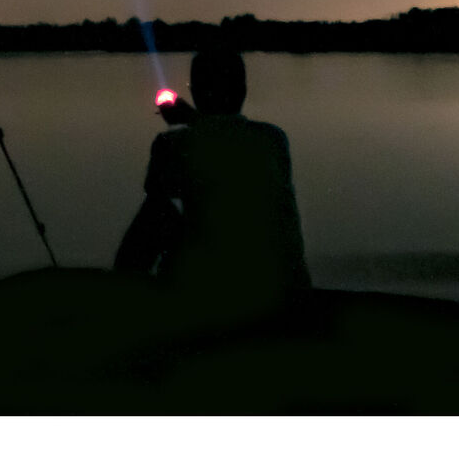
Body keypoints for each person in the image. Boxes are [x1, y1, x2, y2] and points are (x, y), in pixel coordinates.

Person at [112, 47, 310, 326]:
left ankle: (123, 306)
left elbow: (155, 195)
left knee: (158, 211)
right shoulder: (274, 139)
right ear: (243, 90)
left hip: (208, 296)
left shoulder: (171, 146)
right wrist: (194, 120)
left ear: (195, 92)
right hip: (286, 291)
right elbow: (226, 145)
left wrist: (191, 122)